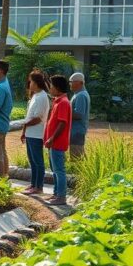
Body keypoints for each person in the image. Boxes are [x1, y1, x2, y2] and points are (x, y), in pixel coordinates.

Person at [20, 70, 51, 195]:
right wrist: (24, 131)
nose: (29, 83)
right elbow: (29, 116)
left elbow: (38, 118)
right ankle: (33, 184)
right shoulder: (35, 96)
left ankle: (39, 186)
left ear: (37, 83)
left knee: (38, 161)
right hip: (30, 133)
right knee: (32, 161)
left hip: (37, 134)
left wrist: (24, 124)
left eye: (31, 81)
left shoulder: (43, 96)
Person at [44, 75, 73, 206]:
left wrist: (51, 138)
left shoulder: (63, 103)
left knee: (59, 170)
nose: (50, 89)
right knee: (55, 170)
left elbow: (62, 123)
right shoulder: (57, 101)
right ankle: (56, 194)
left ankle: (61, 197)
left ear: (57, 88)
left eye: (51, 86)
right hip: (53, 143)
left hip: (57, 143)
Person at [69, 72, 90, 159]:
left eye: (72, 81)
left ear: (80, 83)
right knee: (78, 156)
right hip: (76, 130)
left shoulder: (81, 95)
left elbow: (79, 114)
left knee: (76, 159)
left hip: (77, 131)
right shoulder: (78, 94)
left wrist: (64, 112)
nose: (70, 84)